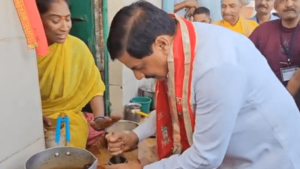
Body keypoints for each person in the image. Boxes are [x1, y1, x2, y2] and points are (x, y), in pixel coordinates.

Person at [104, 1, 300, 169]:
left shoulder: (215, 67)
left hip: (267, 159)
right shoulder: (182, 43)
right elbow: (174, 107)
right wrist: (135, 136)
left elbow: (205, 158)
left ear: (161, 44)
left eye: (139, 67)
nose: (138, 76)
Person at [36, 0, 121, 148]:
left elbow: (93, 87)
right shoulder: (26, 54)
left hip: (72, 127)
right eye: (55, 20)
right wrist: (36, 117)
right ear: (38, 20)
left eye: (68, 19)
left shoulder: (77, 47)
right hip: (37, 127)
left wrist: (99, 118)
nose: (65, 27)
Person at [249, 0, 300, 108]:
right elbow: (245, 63)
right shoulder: (262, 31)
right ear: (275, 6)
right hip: (269, 105)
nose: (289, 4)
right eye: (282, 1)